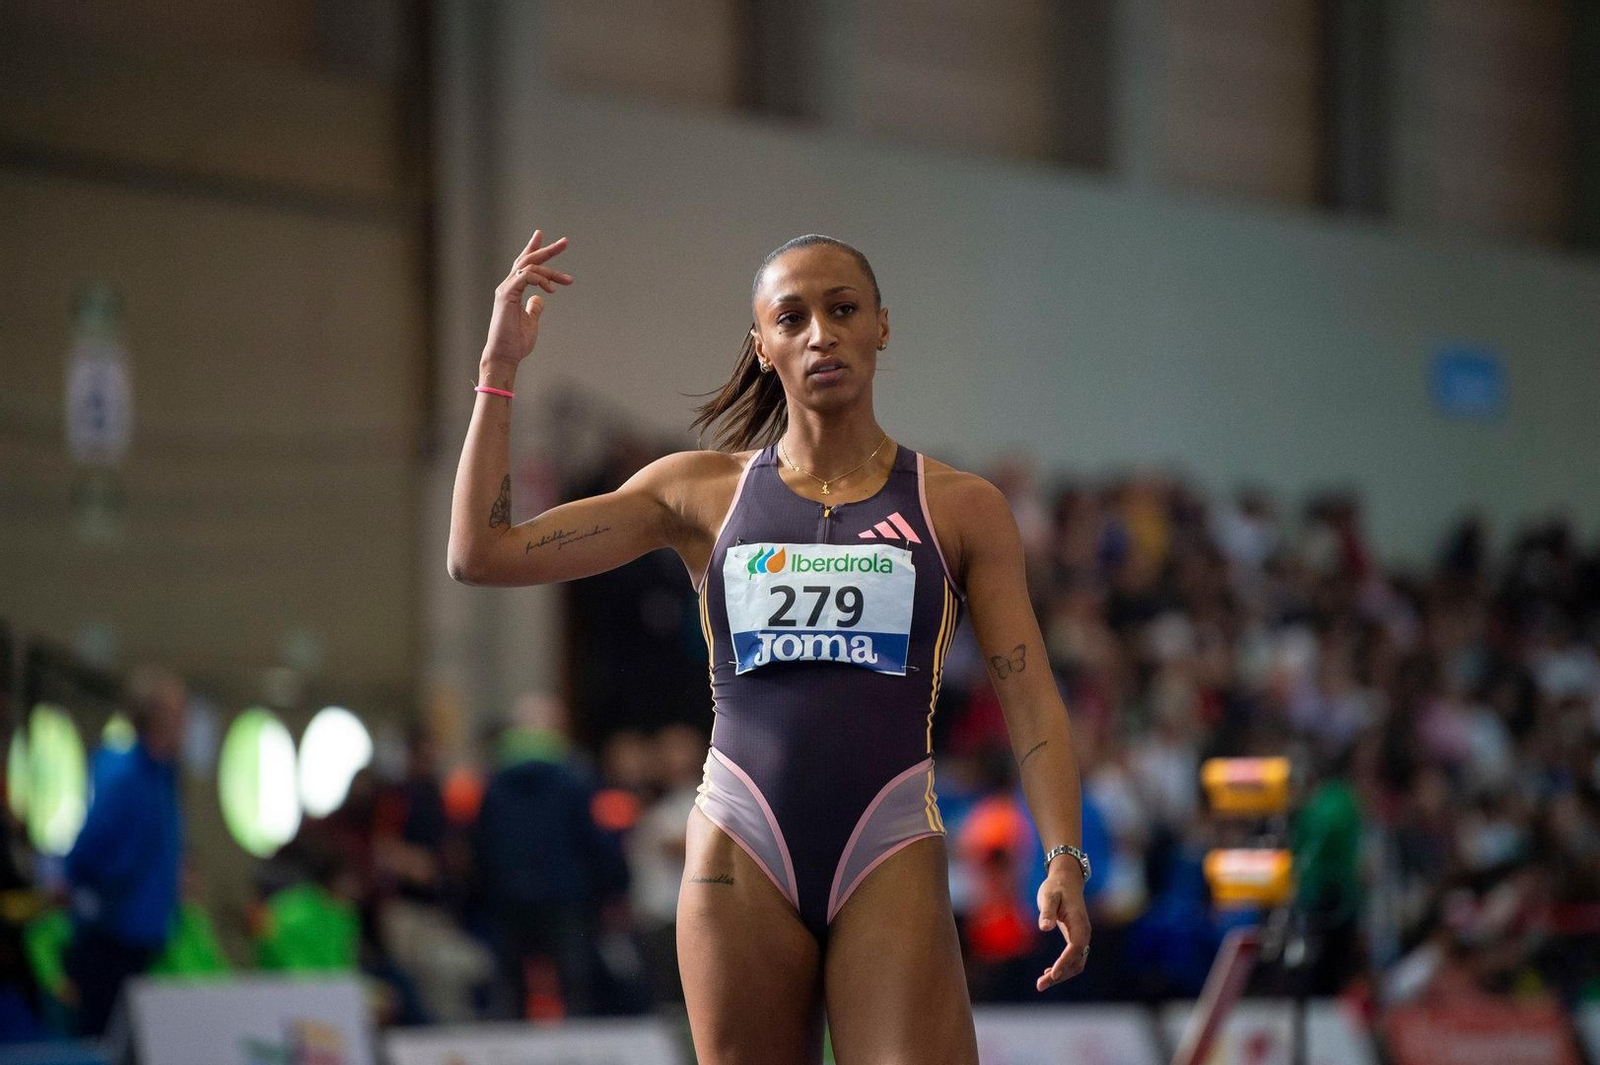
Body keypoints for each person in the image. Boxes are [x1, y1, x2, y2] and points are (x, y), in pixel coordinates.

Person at [448, 231, 1091, 1063]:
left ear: (882, 326)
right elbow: (481, 553)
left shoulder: (960, 508)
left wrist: (1064, 853)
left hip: (888, 841)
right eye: (793, 317)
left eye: (843, 309)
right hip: (741, 846)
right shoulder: (697, 493)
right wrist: (498, 369)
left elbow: (1030, 696)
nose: (821, 332)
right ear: (764, 347)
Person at [62, 664, 186, 1036]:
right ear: (154, 717)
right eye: (178, 713)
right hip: (111, 939)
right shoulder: (127, 776)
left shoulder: (164, 777)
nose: (185, 723)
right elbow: (87, 853)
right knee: (101, 1040)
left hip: (143, 935)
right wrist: (107, 899)